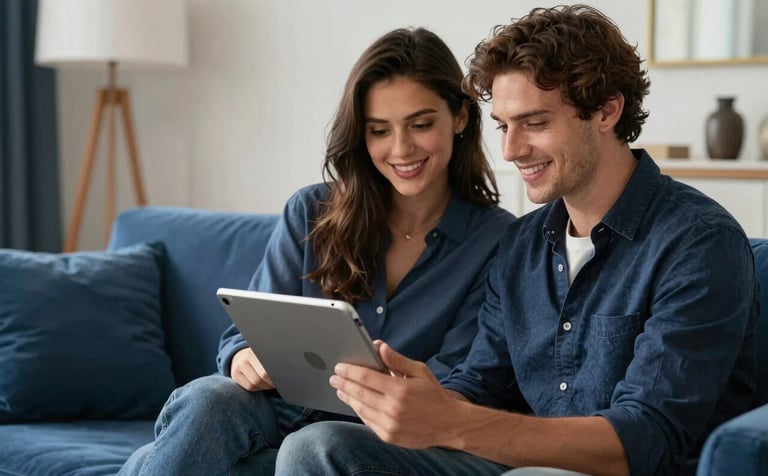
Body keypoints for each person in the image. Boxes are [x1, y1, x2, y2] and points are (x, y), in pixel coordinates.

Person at [273, 5, 759, 476]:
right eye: (504, 126)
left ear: (607, 110)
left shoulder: (698, 243)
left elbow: (647, 438)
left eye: (535, 123)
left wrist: (454, 421)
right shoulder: (522, 244)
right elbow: (481, 381)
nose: (510, 150)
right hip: (510, 461)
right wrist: (428, 401)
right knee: (317, 446)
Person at [118, 27, 515, 476]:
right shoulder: (312, 211)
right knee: (209, 398)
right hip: (280, 409)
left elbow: (463, 381)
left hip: (378, 440)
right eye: (379, 130)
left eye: (421, 125)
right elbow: (243, 334)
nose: (401, 148)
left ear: (460, 117)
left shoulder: (497, 241)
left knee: (149, 461)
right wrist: (244, 358)